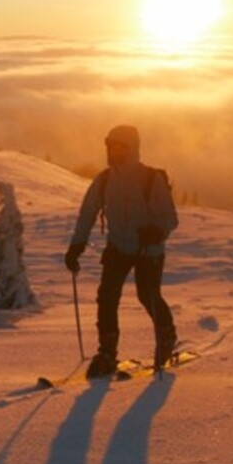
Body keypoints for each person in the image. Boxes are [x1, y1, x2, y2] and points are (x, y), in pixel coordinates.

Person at [64, 124, 179, 378]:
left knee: (147, 295)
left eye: (120, 147)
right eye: (111, 146)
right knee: (107, 297)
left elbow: (170, 218)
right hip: (118, 246)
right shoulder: (104, 180)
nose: (115, 151)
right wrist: (76, 245)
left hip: (149, 250)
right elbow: (87, 214)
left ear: (132, 149)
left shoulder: (151, 178)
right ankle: (107, 353)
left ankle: (166, 339)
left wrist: (157, 231)